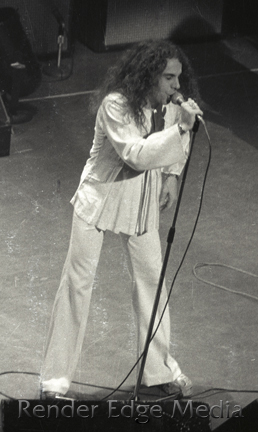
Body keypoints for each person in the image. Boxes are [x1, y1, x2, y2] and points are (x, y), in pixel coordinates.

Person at [40, 39, 203, 400]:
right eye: (169, 78)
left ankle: (157, 371)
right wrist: (180, 133)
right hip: (99, 201)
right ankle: (54, 381)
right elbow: (135, 155)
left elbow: (178, 146)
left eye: (178, 78)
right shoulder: (115, 106)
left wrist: (173, 176)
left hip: (140, 205)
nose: (177, 86)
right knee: (77, 285)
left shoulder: (170, 107)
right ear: (148, 76)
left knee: (152, 284)